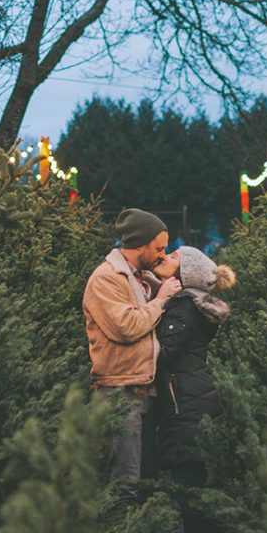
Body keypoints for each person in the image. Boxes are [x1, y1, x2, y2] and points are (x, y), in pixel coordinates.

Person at [83, 208, 182, 499]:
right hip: (120, 390)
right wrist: (161, 299)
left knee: (145, 475)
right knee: (125, 479)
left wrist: (159, 285)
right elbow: (126, 326)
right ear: (140, 245)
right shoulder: (106, 279)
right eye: (159, 248)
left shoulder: (140, 277)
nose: (163, 255)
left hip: (141, 386)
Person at [153, 246, 236, 533]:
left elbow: (162, 354)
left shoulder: (183, 307)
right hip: (191, 396)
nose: (165, 257)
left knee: (189, 489)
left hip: (184, 402)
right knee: (192, 486)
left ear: (183, 275)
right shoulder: (189, 304)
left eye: (173, 256)